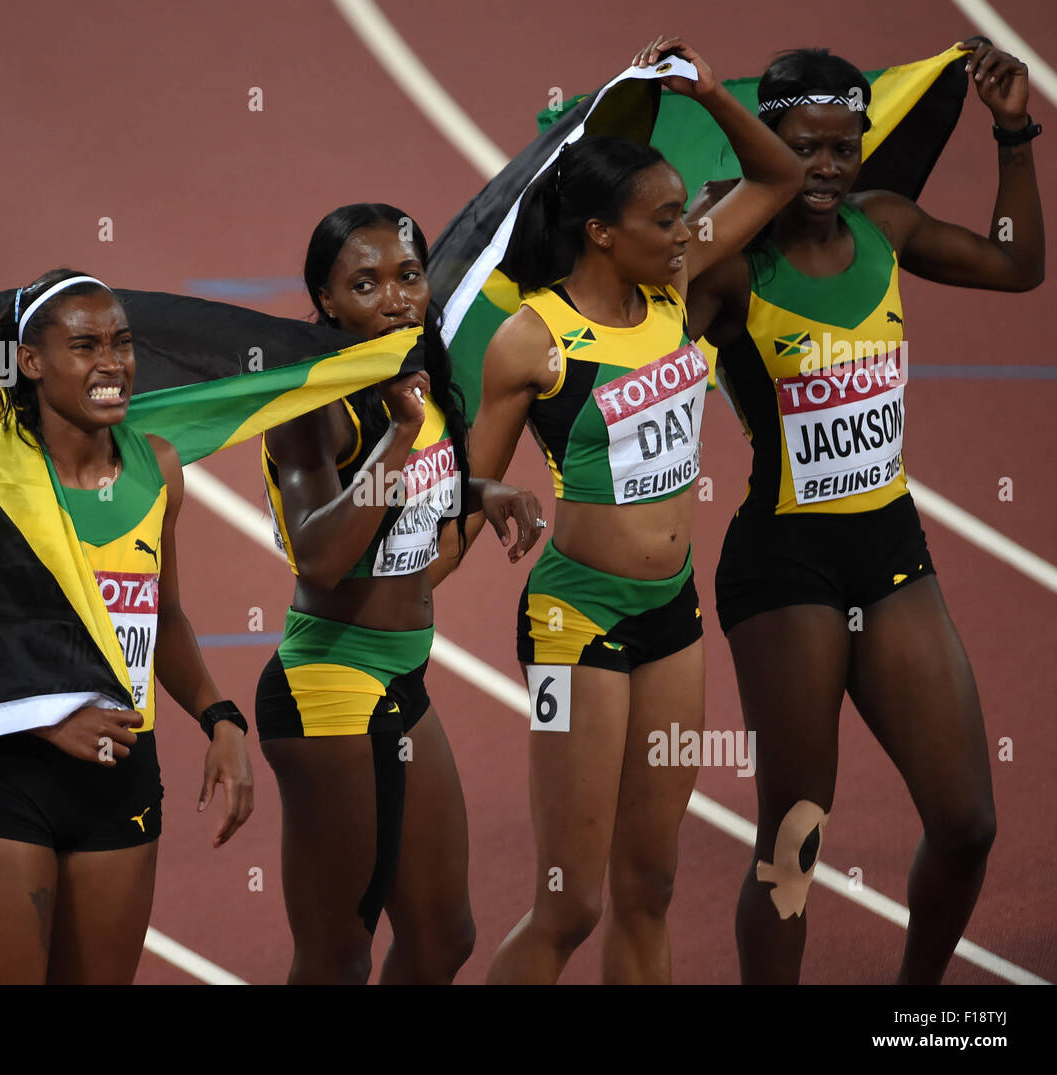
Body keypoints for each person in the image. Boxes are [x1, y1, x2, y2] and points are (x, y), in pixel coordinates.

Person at [433, 35, 803, 984]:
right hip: (577, 622)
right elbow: (466, 489)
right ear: (601, 230)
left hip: (671, 617)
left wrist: (715, 94)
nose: (688, 231)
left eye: (688, 215)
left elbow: (781, 174)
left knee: (652, 886)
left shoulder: (673, 284)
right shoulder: (535, 340)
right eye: (667, 216)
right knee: (571, 903)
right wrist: (437, 547)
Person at [684, 40, 1042, 983]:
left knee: (968, 822)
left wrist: (1013, 132)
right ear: (770, 143)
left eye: (845, 148)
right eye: (805, 148)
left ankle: (914, 1011)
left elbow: (1018, 267)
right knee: (795, 834)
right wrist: (703, 217)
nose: (827, 170)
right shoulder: (732, 269)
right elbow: (638, 325)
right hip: (783, 565)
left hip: (889, 547)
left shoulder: (885, 226)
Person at [0, 269, 254, 983]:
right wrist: (46, 718)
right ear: (32, 361)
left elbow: (163, 616)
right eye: (84, 345)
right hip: (7, 780)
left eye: (122, 343)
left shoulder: (159, 468)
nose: (111, 363)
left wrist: (219, 715)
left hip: (123, 782)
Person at [256, 203, 544, 984]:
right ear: (325, 299)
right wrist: (398, 433)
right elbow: (320, 553)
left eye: (409, 276)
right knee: (338, 956)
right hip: (327, 688)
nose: (395, 297)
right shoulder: (313, 402)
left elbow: (415, 487)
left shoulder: (414, 371)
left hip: (401, 676)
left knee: (443, 935)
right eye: (366, 282)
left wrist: (479, 489)